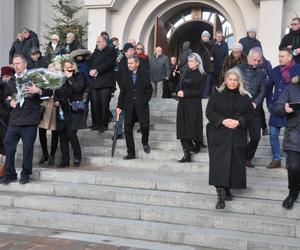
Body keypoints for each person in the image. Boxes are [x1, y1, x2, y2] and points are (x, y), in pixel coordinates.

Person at [206, 67, 254, 209]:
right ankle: (220, 195)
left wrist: (239, 121)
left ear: (239, 82)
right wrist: (222, 120)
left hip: (237, 134)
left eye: (235, 80)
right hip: (218, 133)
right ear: (225, 80)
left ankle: (227, 188)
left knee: (233, 162)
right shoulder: (217, 94)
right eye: (230, 79)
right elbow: (209, 112)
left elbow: (250, 115)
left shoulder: (245, 97)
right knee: (219, 164)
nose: (232, 82)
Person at [1, 54, 52, 184]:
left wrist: (38, 90)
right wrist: (10, 102)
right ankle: (10, 173)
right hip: (15, 119)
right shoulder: (11, 80)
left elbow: (49, 92)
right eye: (14, 63)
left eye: (18, 63)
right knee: (8, 145)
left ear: (25, 64)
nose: (15, 66)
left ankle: (25, 174)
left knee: (28, 148)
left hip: (30, 119)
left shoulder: (34, 77)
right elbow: (6, 96)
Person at [266, 48, 300, 169]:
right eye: (279, 56)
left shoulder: (298, 69)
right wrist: (270, 102)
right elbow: (268, 87)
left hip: (293, 107)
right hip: (277, 107)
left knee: (290, 134)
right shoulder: (275, 70)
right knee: (273, 132)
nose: (280, 58)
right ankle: (276, 159)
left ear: (290, 57)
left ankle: (290, 159)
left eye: (282, 56)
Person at [116, 56, 153, 160]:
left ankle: (145, 142)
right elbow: (123, 92)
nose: (129, 65)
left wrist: (144, 100)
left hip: (142, 106)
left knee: (145, 126)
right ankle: (131, 152)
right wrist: (119, 106)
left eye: (131, 63)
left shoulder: (144, 74)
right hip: (129, 106)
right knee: (127, 129)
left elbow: (149, 90)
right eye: (128, 63)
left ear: (137, 63)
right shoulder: (125, 75)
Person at [273, 75, 300, 209]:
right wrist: (285, 109)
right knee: (293, 166)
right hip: (295, 135)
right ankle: (293, 193)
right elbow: (276, 109)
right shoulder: (291, 88)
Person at [54, 59, 87, 167]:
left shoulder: (78, 76)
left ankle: (77, 156)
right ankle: (65, 159)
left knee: (71, 133)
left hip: (74, 109)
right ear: (63, 68)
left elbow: (78, 88)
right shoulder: (60, 78)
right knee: (62, 134)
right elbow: (56, 92)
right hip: (62, 110)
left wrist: (70, 77)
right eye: (66, 66)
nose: (68, 68)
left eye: (70, 66)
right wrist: (56, 101)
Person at [238, 47, 266, 168]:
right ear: (248, 58)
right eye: (254, 60)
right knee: (241, 138)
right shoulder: (238, 69)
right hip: (240, 110)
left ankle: (248, 157)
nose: (256, 63)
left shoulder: (262, 73)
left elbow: (263, 91)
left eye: (258, 61)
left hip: (255, 110)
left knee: (256, 137)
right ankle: (239, 158)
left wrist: (256, 103)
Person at [176, 53, 206, 163]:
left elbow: (200, 92)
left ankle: (197, 143)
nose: (189, 63)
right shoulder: (185, 72)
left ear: (198, 62)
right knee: (182, 127)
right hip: (183, 103)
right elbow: (180, 85)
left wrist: (185, 94)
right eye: (188, 61)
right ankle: (186, 154)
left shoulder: (202, 75)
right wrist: (178, 91)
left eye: (192, 61)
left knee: (192, 126)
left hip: (194, 104)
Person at [89, 35, 116, 132]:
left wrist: (97, 70)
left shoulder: (111, 51)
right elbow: (90, 64)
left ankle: (104, 124)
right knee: (96, 104)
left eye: (99, 42)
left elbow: (109, 64)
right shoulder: (95, 53)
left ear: (105, 42)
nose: (98, 43)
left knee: (104, 104)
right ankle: (97, 123)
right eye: (97, 42)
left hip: (106, 82)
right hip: (96, 82)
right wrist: (91, 70)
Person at [0, 67, 15, 165]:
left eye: (8, 76)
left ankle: (5, 167)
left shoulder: (13, 84)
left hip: (9, 117)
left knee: (7, 142)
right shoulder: (2, 85)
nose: (6, 78)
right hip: (1, 117)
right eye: (4, 76)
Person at [194, 30, 214, 98]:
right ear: (202, 37)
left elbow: (214, 54)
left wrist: (212, 57)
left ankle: (205, 95)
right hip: (201, 67)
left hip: (209, 67)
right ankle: (200, 94)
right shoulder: (198, 45)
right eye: (204, 36)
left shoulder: (211, 45)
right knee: (200, 82)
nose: (206, 38)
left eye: (207, 36)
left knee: (208, 82)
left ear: (209, 37)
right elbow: (197, 56)